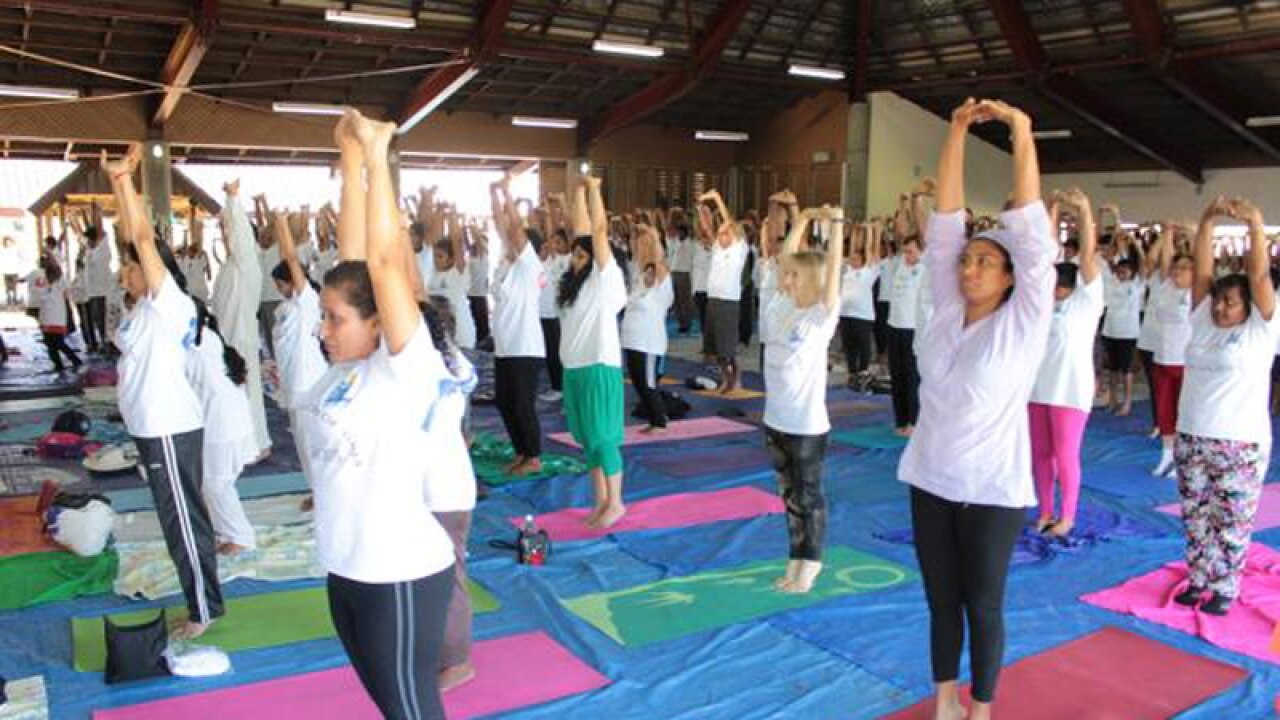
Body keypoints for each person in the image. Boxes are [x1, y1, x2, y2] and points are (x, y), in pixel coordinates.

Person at [298, 109, 455, 719]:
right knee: (393, 710)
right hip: (347, 569)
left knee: (411, 710)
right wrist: (349, 159)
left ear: (377, 322)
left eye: (335, 319)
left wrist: (379, 153)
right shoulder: (347, 371)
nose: (324, 328)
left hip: (400, 573)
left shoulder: (406, 367)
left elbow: (384, 265)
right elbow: (355, 257)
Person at [900, 98, 1053, 720]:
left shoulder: (1024, 322)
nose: (970, 267)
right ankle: (944, 699)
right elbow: (945, 223)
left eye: (986, 261)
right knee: (941, 599)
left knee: (983, 604)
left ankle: (982, 707)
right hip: (930, 478)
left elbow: (1035, 239)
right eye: (967, 259)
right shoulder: (943, 308)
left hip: (992, 488)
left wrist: (1020, 131)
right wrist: (957, 130)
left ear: (1012, 276)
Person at [104, 146, 222, 640]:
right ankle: (202, 600)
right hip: (155, 428)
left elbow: (142, 238)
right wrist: (116, 184)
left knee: (183, 521)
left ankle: (203, 609)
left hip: (170, 427)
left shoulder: (167, 303)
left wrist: (125, 182)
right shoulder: (141, 311)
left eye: (130, 267)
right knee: (178, 516)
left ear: (153, 272)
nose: (123, 272)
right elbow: (132, 240)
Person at [1173, 197, 1276, 616]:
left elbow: (1258, 273)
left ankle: (1225, 586)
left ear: (1248, 306)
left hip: (1239, 442)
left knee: (1230, 520)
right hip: (1193, 434)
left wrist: (1254, 225)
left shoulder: (1262, 327)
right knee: (1196, 515)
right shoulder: (1201, 318)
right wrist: (1207, 221)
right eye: (1218, 300)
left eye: (1230, 302)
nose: (1220, 307)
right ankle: (1199, 579)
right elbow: (1201, 271)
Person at [761, 205, 843, 593]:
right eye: (787, 274)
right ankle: (795, 558)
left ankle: (812, 562)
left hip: (806, 424)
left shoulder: (819, 317)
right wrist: (804, 218)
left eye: (795, 274)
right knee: (788, 497)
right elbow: (783, 257)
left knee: (808, 496)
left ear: (811, 279)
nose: (787, 278)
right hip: (775, 419)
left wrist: (837, 226)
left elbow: (834, 276)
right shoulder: (780, 305)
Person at [1028, 189, 1104, 537]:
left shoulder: (1087, 303)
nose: (1052, 288)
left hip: (1070, 390)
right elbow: (1043, 254)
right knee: (1041, 453)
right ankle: (1044, 511)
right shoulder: (1043, 304)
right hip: (1038, 388)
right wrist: (1051, 210)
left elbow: (1087, 255)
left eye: (1058, 284)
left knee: (1065, 453)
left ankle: (1068, 515)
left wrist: (1084, 209)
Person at [417, 295, 480, 692]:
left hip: (445, 488)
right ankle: (438, 649)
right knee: (431, 571)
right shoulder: (447, 359)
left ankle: (457, 661)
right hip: (440, 482)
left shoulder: (432, 366)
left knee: (449, 572)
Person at [558, 177, 629, 528]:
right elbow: (582, 229)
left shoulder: (606, 279)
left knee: (603, 438)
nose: (575, 260)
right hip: (575, 369)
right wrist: (577, 195)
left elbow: (597, 231)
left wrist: (595, 188)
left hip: (599, 367)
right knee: (587, 441)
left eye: (581, 255)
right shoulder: (576, 287)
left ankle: (616, 502)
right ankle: (600, 502)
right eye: (575, 254)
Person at [188, 302, 257, 555]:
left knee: (216, 484)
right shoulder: (206, 338)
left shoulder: (198, 343)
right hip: (228, 420)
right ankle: (226, 529)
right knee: (215, 484)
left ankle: (240, 536)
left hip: (222, 424)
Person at [490, 175, 546, 476]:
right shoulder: (505, 266)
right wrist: (493, 195)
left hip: (525, 347)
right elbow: (503, 226)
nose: (510, 241)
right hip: (505, 346)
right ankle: (521, 451)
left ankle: (534, 456)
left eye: (517, 241)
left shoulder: (529, 267)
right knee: (503, 402)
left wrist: (508, 194)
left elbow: (514, 227)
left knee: (523, 405)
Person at [212, 182, 272, 461]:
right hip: (228, 337)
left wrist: (233, 201)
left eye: (229, 231)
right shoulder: (229, 267)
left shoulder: (246, 263)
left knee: (247, 391)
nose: (225, 236)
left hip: (241, 336)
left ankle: (257, 444)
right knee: (236, 395)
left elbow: (239, 235)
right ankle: (248, 442)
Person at [1150, 224, 1195, 478]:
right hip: (1163, 357)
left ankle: (1185, 457)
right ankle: (1166, 455)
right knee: (1165, 410)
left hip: (1186, 361)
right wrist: (1167, 234)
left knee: (1185, 412)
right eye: (1176, 268)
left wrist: (1194, 234)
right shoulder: (1166, 287)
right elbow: (1166, 259)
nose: (1178, 272)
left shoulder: (1197, 292)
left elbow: (1203, 262)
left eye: (1185, 269)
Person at [621, 223, 674, 433]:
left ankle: (660, 421)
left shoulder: (660, 272)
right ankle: (653, 420)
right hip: (633, 339)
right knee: (637, 381)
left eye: (643, 247)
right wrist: (636, 234)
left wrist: (652, 234)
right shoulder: (640, 274)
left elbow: (657, 257)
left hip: (649, 340)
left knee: (648, 382)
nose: (638, 249)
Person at [699, 190, 749, 393]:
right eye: (719, 233)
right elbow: (706, 227)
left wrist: (717, 198)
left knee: (727, 346)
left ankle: (735, 375)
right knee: (714, 348)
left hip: (728, 301)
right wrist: (701, 211)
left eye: (725, 233)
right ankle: (725, 377)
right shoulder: (718, 248)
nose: (720, 236)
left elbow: (729, 220)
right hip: (714, 299)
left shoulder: (738, 249)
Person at [1100, 230, 1145, 416]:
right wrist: (1114, 238)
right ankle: (1112, 399)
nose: (1121, 275)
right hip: (1110, 331)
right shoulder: (1112, 281)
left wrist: (1135, 242)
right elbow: (1109, 257)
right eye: (1118, 272)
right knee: (1112, 368)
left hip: (1128, 333)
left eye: (1125, 272)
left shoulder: (1137, 285)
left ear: (1132, 273)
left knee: (1126, 370)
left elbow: (1143, 264)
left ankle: (1126, 402)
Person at [839, 221, 882, 391]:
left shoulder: (869, 271)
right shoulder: (847, 270)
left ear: (863, 260)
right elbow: (850, 251)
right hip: (846, 314)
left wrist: (871, 231)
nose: (853, 260)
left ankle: (863, 374)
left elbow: (873, 250)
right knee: (849, 348)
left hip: (862, 316)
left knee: (863, 347)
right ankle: (852, 374)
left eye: (857, 258)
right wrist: (855, 231)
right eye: (852, 258)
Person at [36, 258, 82, 373]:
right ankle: (58, 364)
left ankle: (74, 360)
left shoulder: (60, 282)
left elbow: (67, 293)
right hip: (47, 318)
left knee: (58, 343)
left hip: (56, 318)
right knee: (50, 343)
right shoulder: (45, 283)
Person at [467, 225, 491, 345]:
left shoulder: (483, 258)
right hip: (470, 297)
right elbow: (467, 244)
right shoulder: (470, 259)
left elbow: (479, 243)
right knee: (473, 329)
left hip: (479, 298)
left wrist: (474, 230)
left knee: (482, 331)